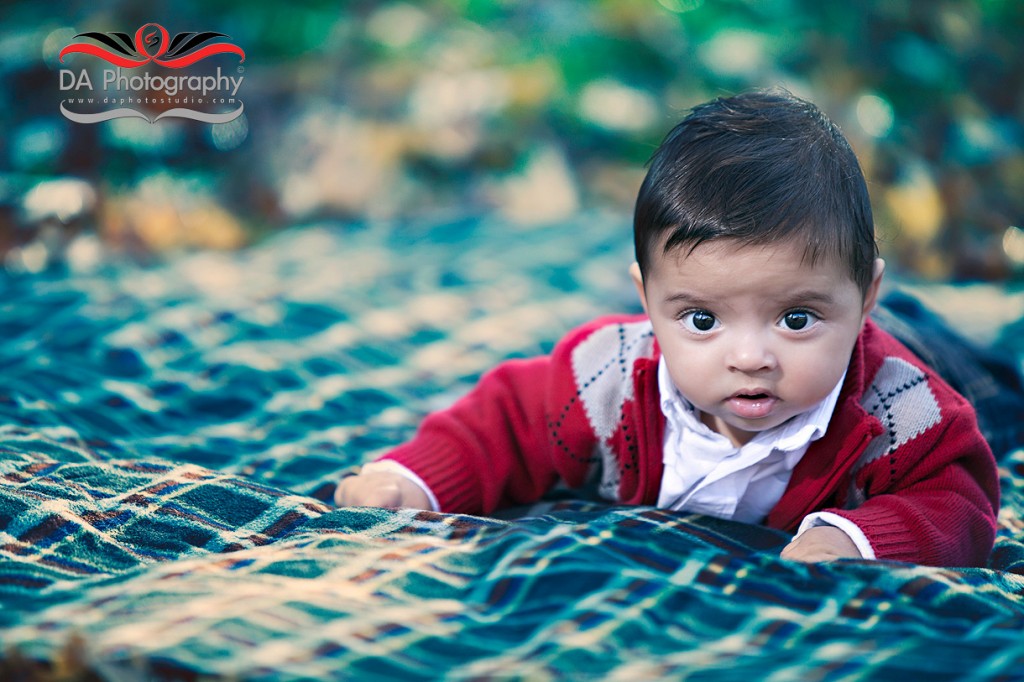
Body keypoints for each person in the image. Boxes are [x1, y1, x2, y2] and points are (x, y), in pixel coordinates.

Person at [335, 89, 1000, 567]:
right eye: (702, 319)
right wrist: (414, 479)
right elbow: (504, 421)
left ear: (863, 299)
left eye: (796, 318)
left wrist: (858, 538)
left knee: (998, 377)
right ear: (647, 304)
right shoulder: (605, 381)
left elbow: (959, 498)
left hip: (930, 349)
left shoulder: (904, 411)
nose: (749, 356)